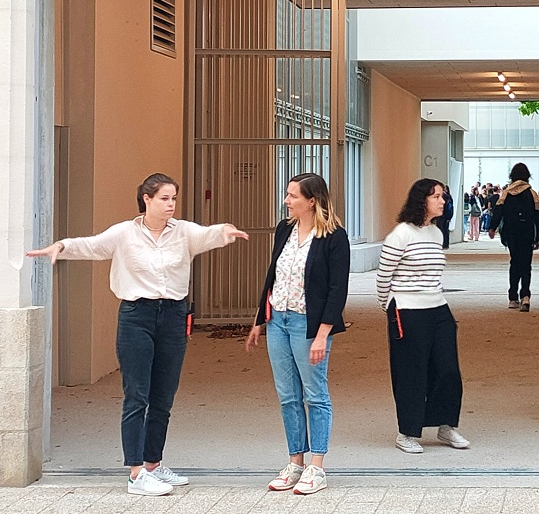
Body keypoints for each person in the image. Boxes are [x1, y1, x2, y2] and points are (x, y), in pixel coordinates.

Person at [25, 173, 248, 497]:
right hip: (136, 317)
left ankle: (154, 464)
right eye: (164, 199)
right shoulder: (125, 233)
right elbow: (92, 246)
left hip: (173, 316)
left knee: (163, 396)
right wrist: (61, 246)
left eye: (173, 198)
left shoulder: (183, 232)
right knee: (137, 395)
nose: (171, 204)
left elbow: (207, 235)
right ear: (146, 199)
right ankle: (135, 473)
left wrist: (224, 230)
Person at [244, 173, 349, 495]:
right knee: (288, 396)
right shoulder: (284, 229)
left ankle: (317, 467)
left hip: (309, 325)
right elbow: (272, 275)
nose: (286, 201)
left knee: (315, 395)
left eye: (293, 196)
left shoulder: (334, 236)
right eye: (287, 195)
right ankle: (295, 462)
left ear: (312, 201)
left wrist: (322, 335)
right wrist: (259, 320)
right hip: (279, 320)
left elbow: (337, 290)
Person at [376, 178, 470, 454]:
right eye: (437, 196)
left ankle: (446, 425)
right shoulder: (401, 234)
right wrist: (388, 306)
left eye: (443, 196)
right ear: (422, 200)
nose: (442, 201)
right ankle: (407, 432)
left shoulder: (436, 233)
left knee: (448, 369)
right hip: (407, 308)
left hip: (438, 307)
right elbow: (384, 276)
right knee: (411, 371)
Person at [489, 162, 539, 311]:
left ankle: (513, 297)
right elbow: (538, 216)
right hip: (527, 233)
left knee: (515, 263)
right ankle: (525, 295)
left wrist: (492, 227)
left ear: (512, 176)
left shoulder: (507, 193)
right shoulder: (531, 193)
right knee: (526, 264)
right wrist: (537, 236)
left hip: (511, 233)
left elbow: (498, 211)